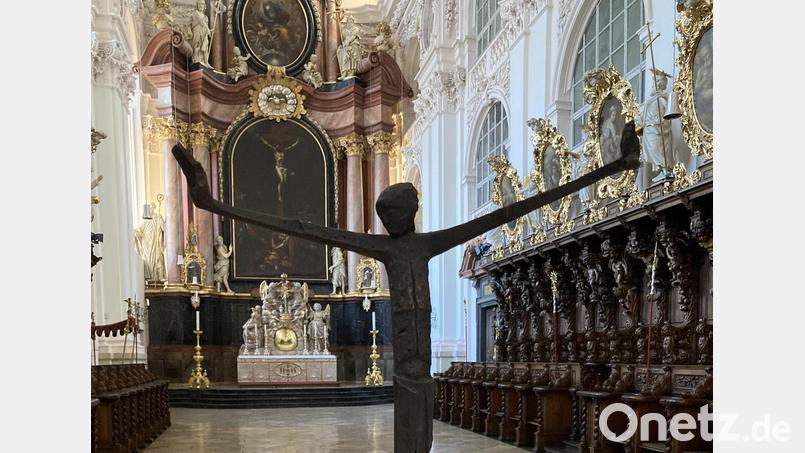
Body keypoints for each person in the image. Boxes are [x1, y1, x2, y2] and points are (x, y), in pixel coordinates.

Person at [190, 0, 212, 68]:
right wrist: (208, 30)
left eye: (202, 4)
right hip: (197, 31)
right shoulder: (195, 13)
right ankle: (196, 60)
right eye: (199, 4)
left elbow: (206, 26)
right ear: (197, 5)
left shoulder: (206, 17)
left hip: (204, 33)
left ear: (204, 6)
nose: (200, 6)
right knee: (197, 45)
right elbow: (201, 21)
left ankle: (205, 61)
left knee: (205, 46)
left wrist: (209, 31)